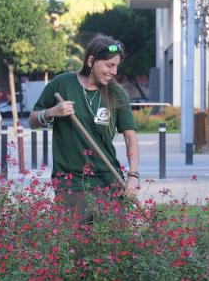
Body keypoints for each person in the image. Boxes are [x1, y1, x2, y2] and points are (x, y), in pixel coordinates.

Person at [29, 34, 140, 220]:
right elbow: (32, 120)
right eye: (109, 65)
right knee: (75, 237)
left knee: (115, 237)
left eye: (116, 66)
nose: (114, 71)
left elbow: (131, 138)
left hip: (108, 181)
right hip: (69, 183)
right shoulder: (62, 84)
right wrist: (51, 112)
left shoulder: (116, 94)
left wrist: (133, 175)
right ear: (91, 61)